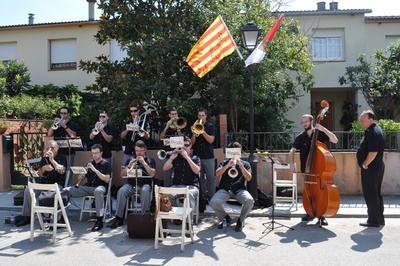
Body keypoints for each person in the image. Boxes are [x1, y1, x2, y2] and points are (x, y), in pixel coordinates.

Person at [289, 114, 338, 226]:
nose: (304, 124)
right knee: (308, 192)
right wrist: (291, 164)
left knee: (320, 193)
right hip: (306, 170)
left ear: (311, 121)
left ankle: (322, 215)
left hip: (320, 171)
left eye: (305, 121)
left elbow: (335, 140)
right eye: (302, 122)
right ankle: (310, 212)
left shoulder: (319, 133)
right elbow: (292, 150)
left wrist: (324, 129)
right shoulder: (301, 137)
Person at [16, 141, 67, 227]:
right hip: (44, 184)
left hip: (57, 185)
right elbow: (39, 174)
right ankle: (27, 217)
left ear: (57, 149)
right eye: (48, 148)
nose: (50, 150)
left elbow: (62, 171)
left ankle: (47, 218)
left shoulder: (62, 157)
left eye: (52, 148)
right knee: (28, 190)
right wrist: (43, 169)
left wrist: (52, 160)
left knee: (47, 196)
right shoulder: (44, 159)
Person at [108, 140, 156, 229]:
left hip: (145, 185)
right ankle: (119, 218)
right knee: (122, 190)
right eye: (137, 151)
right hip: (131, 185)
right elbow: (122, 174)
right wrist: (129, 166)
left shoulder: (150, 160)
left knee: (145, 190)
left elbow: (153, 174)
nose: (139, 153)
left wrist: (144, 163)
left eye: (141, 151)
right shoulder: (130, 159)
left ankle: (144, 217)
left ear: (145, 150)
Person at [64, 144, 111, 231]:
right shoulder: (89, 164)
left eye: (96, 153)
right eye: (92, 153)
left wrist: (95, 170)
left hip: (100, 187)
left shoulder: (106, 164)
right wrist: (81, 174)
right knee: (66, 190)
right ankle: (62, 217)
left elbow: (107, 179)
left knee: (98, 191)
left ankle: (99, 220)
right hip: (88, 187)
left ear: (101, 153)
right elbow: (80, 179)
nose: (94, 155)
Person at [209, 142, 254, 232]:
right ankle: (225, 217)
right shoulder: (224, 162)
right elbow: (217, 173)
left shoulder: (246, 164)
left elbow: (249, 178)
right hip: (225, 189)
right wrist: (227, 166)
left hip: (239, 189)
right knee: (213, 202)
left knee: (250, 201)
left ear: (240, 152)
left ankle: (240, 220)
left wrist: (241, 166)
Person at [356, 110, 385, 227]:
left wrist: (364, 164)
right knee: (376, 193)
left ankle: (373, 220)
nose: (361, 122)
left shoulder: (373, 132)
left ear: (370, 119)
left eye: (363, 120)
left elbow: (373, 152)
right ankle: (379, 219)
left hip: (371, 168)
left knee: (371, 194)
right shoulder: (374, 129)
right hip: (376, 166)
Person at [163, 137, 200, 211]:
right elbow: (165, 168)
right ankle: (177, 215)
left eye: (187, 145)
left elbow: (197, 171)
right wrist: (171, 158)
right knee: (167, 194)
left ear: (190, 146)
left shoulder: (195, 158)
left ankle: (188, 220)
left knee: (189, 194)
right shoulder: (176, 157)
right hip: (177, 185)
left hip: (191, 186)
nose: (184, 147)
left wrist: (187, 158)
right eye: (183, 145)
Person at [48, 106, 78, 186]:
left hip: (69, 151)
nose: (62, 115)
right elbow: (49, 134)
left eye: (65, 113)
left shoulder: (72, 123)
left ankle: (67, 187)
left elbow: (73, 136)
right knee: (58, 168)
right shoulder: (57, 123)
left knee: (68, 169)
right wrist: (53, 124)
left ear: (68, 114)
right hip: (58, 151)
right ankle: (59, 185)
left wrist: (65, 126)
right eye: (61, 113)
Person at [191, 108, 216, 201]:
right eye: (199, 115)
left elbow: (211, 140)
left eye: (203, 115)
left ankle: (212, 198)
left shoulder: (210, 126)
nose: (201, 117)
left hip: (208, 156)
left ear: (206, 116)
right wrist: (194, 133)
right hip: (197, 156)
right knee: (199, 178)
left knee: (210, 178)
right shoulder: (195, 126)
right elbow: (192, 143)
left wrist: (202, 131)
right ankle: (201, 198)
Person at [160, 107, 187, 186]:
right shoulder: (165, 125)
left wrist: (179, 129)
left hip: (178, 155)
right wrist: (167, 127)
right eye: (172, 114)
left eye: (175, 114)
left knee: (178, 176)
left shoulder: (181, 124)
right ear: (169, 115)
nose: (174, 116)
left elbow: (184, 139)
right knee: (167, 176)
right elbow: (161, 137)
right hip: (167, 154)